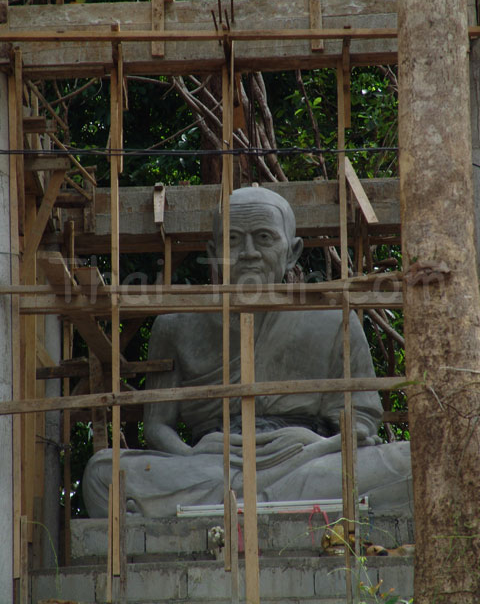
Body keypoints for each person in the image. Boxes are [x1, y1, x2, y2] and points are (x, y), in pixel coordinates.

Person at [83, 187, 412, 518]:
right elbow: (157, 426)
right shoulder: (176, 326)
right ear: (214, 251)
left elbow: (361, 422)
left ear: (293, 252)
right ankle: (269, 501)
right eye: (233, 240)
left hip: (308, 459)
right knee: (102, 472)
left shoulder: (333, 320)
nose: (249, 253)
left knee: (409, 459)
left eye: (264, 237)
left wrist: (315, 447)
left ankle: (233, 504)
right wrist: (191, 454)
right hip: (213, 465)